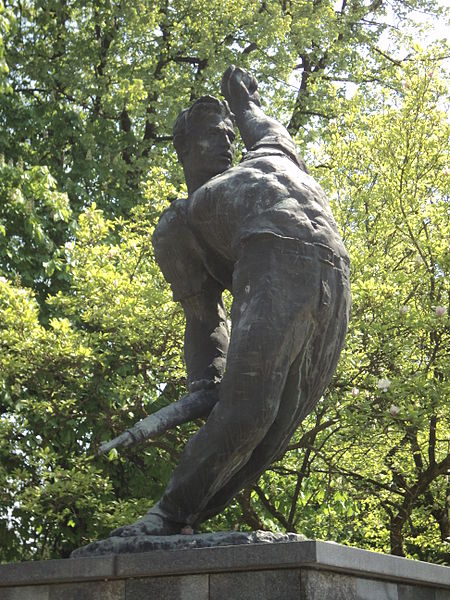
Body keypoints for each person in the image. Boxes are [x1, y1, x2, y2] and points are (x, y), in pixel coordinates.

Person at [111, 66, 351, 537]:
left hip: (336, 275)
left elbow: (262, 124)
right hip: (268, 257)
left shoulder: (269, 152)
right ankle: (168, 514)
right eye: (208, 135)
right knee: (249, 412)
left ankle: (182, 516)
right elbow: (202, 317)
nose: (224, 140)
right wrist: (208, 379)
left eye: (226, 132)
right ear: (181, 149)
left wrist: (241, 102)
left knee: (279, 425)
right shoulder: (179, 224)